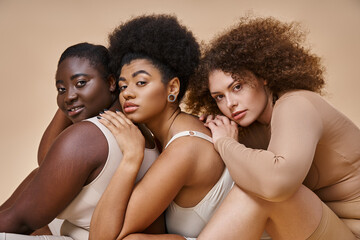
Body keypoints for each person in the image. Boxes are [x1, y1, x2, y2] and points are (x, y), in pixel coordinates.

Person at [185, 16, 360, 239]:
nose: (230, 104)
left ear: (263, 76)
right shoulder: (258, 125)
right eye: (219, 97)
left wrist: (224, 142)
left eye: (237, 87)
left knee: (259, 193)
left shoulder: (296, 105)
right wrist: (216, 128)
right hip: (322, 227)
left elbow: (275, 184)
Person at [89, 14, 234, 240]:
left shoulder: (186, 147)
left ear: (172, 87)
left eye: (141, 82)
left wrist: (132, 157)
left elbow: (102, 238)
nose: (126, 93)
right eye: (123, 85)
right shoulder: (170, 135)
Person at [0, 42, 158, 240]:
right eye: (60, 89)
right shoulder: (144, 132)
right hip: (81, 230)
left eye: (81, 82)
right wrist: (75, 98)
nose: (68, 96)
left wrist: (74, 98)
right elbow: (47, 162)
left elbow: (20, 222)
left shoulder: (85, 137)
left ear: (111, 82)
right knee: (35, 178)